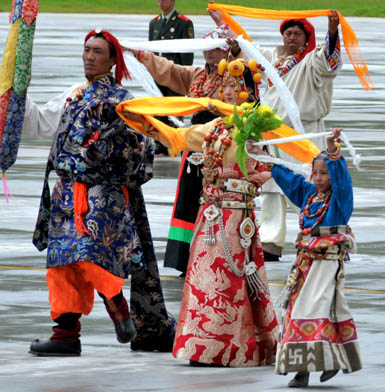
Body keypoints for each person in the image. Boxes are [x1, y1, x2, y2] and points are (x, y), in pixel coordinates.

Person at [120, 59, 281, 366]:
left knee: (229, 281)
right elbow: (177, 138)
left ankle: (231, 348)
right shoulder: (215, 127)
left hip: (235, 217)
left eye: (237, 86)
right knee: (203, 279)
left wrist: (251, 164)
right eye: (227, 86)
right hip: (208, 215)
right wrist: (141, 121)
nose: (230, 91)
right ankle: (202, 346)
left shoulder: (259, 126)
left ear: (250, 90)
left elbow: (267, 169)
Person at [28, 29, 175, 356]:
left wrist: (96, 165)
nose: (89, 57)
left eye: (97, 52)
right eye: (86, 50)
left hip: (101, 196)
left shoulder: (125, 102)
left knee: (94, 257)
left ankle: (118, 305)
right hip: (66, 193)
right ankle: (65, 333)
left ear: (112, 60)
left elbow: (141, 152)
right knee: (61, 263)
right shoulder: (76, 95)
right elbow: (41, 124)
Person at [210, 5, 343, 262]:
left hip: (302, 132)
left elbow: (330, 62)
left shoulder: (312, 60)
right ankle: (270, 242)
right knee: (271, 186)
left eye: (297, 34)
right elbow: (245, 47)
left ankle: (317, 231)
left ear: (306, 38)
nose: (292, 38)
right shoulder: (272, 58)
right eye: (288, 33)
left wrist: (332, 31)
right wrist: (222, 21)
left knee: (305, 182)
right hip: (271, 133)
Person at [262, 128, 361, 387]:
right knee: (297, 313)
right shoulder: (308, 195)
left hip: (326, 266)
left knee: (316, 311)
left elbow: (342, 179)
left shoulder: (340, 201)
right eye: (315, 173)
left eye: (323, 173)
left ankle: (323, 363)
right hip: (304, 265)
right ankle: (304, 369)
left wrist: (332, 151)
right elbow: (289, 180)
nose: (317, 178)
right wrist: (265, 156)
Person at [131, 24, 230, 275]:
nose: (209, 53)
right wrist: (141, 54)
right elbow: (170, 72)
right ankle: (185, 259)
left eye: (215, 48)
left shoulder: (234, 75)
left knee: (215, 198)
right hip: (194, 145)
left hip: (221, 145)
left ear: (227, 51)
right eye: (206, 48)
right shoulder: (197, 75)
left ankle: (216, 254)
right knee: (187, 199)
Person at [149, 0, 195, 97]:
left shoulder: (183, 23)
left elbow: (187, 53)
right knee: (157, 107)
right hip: (158, 73)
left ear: (173, 1)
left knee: (174, 106)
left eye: (164, 0)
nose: (161, 2)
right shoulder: (154, 23)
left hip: (174, 74)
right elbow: (151, 50)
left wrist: (185, 76)